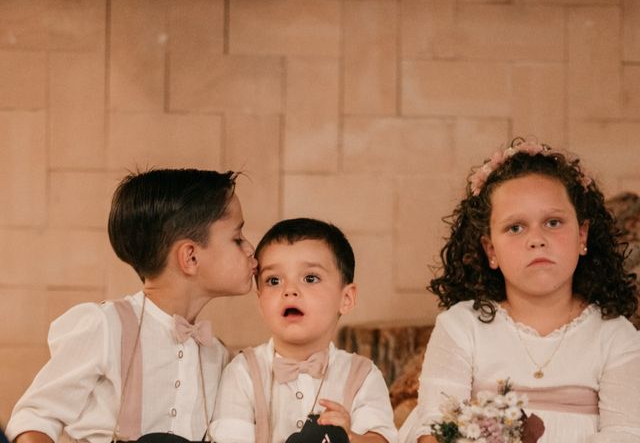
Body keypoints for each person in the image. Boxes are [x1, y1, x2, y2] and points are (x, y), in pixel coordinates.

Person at [400, 138, 640, 443]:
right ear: (491, 250)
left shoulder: (615, 336)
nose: (536, 239)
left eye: (553, 222)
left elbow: (626, 433)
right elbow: (434, 428)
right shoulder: (462, 325)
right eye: (515, 228)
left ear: (582, 235)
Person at [6, 169, 258, 443]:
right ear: (191, 257)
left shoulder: (217, 355)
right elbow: (35, 418)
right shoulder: (105, 326)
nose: (250, 249)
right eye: (237, 238)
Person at [210, 218, 398, 443]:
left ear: (346, 298)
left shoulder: (362, 375)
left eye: (310, 278)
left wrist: (347, 436)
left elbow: (381, 439)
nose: (289, 290)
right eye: (274, 280)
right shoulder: (243, 372)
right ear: (260, 301)